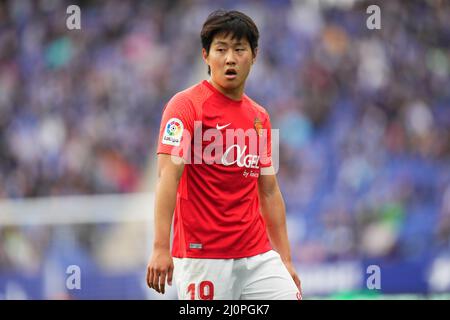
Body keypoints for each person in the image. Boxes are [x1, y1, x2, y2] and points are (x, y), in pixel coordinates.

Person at [146, 9, 302, 300]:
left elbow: (269, 192)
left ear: (254, 56)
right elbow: (167, 176)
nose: (230, 58)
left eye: (239, 49)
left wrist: (286, 258)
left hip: (257, 255)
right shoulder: (184, 107)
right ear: (205, 55)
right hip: (203, 257)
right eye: (221, 49)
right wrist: (159, 247)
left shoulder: (260, 117)